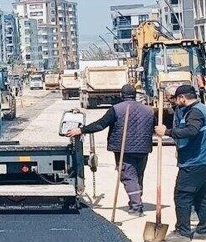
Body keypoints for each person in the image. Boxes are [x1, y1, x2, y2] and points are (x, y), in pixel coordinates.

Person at [66, 84, 154, 215]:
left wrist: (81, 130)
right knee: (138, 175)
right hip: (143, 149)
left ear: (121, 95)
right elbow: (153, 127)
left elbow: (101, 124)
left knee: (128, 176)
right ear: (135, 95)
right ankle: (136, 200)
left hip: (124, 149)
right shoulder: (149, 110)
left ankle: (136, 206)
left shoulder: (117, 109)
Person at [155, 84, 206, 242]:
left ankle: (183, 232)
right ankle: (204, 231)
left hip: (197, 160)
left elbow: (191, 131)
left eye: (176, 99)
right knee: (202, 194)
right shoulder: (201, 108)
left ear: (183, 98)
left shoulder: (195, 112)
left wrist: (166, 132)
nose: (174, 102)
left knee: (182, 194)